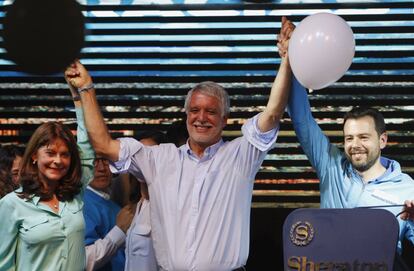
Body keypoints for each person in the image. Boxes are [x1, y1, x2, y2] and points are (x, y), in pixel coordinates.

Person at [65, 17, 294, 271]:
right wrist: (86, 89)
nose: (201, 118)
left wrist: (286, 60)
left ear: (224, 119)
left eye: (211, 111)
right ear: (186, 116)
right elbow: (104, 146)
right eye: (194, 110)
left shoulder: (240, 155)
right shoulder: (158, 159)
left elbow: (272, 113)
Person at [281, 18, 414, 269]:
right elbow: (301, 118)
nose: (355, 145)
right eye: (349, 138)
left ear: (382, 140)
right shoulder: (331, 166)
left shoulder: (407, 188)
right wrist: (292, 57)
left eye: (364, 137)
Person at [0, 117, 94, 270]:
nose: (58, 160)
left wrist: (80, 98)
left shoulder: (74, 194)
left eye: (65, 154)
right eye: (50, 153)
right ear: (34, 156)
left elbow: (87, 149)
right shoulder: (12, 204)